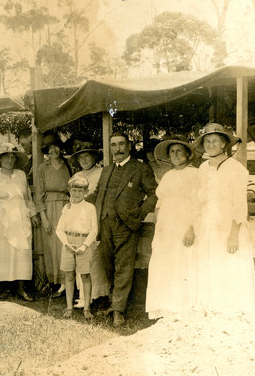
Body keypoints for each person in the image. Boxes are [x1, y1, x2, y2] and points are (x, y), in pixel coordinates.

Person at [93, 131, 158, 327]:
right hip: (105, 223)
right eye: (114, 145)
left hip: (126, 225)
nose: (118, 149)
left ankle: (118, 311)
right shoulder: (106, 170)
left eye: (121, 144)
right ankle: (115, 303)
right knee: (108, 264)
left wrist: (138, 214)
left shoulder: (140, 169)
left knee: (123, 266)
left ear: (128, 146)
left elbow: (155, 194)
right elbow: (97, 195)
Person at [192, 123, 255, 316]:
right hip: (207, 226)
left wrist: (233, 235)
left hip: (228, 227)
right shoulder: (203, 168)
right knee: (209, 265)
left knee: (229, 267)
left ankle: (230, 314)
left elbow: (239, 205)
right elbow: (198, 200)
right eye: (207, 141)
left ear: (223, 144)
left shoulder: (235, 169)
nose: (211, 145)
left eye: (215, 141)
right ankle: (211, 311)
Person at [144, 138, 201, 319]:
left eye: (179, 151)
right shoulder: (168, 176)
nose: (176, 155)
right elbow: (160, 201)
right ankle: (165, 308)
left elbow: (199, 204)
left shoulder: (195, 174)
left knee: (183, 261)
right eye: (172, 152)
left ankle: (183, 309)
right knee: (164, 262)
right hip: (166, 225)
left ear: (187, 154)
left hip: (184, 222)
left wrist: (192, 228)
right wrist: (157, 223)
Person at [0, 143, 40, 301]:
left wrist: (34, 214)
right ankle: (5, 288)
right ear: (0, 159)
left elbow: (28, 197)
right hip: (2, 218)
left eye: (12, 156)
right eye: (6, 156)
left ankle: (21, 288)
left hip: (21, 216)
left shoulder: (21, 175)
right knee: (4, 252)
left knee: (21, 251)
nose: (9, 159)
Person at [67, 145, 109, 303]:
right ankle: (84, 295)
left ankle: (97, 293)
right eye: (81, 157)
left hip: (95, 214)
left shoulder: (101, 173)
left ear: (94, 158)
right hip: (78, 217)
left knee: (95, 254)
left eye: (87, 156)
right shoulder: (76, 176)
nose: (84, 160)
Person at [55, 173, 99, 320]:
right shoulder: (66, 208)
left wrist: (85, 246)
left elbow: (94, 230)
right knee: (68, 275)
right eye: (74, 190)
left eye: (80, 191)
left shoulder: (90, 208)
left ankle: (87, 308)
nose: (77, 193)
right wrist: (66, 244)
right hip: (68, 243)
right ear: (69, 190)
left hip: (83, 244)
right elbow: (59, 229)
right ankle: (69, 307)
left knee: (85, 275)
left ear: (86, 192)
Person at [35, 142, 72, 292]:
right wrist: (43, 217)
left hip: (66, 207)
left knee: (65, 243)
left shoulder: (68, 166)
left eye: (55, 146)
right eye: (50, 148)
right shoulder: (42, 168)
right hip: (49, 209)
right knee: (51, 245)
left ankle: (65, 282)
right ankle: (53, 281)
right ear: (46, 151)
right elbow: (38, 195)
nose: (53, 150)